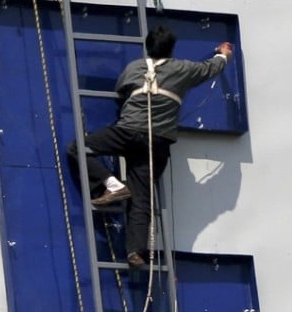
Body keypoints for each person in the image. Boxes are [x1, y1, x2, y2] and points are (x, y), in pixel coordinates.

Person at [67, 26, 234, 268]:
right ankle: (135, 251)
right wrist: (224, 53)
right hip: (157, 141)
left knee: (78, 148)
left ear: (147, 47)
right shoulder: (184, 68)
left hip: (127, 132)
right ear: (172, 49)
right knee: (142, 197)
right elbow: (211, 68)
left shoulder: (133, 68)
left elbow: (121, 90)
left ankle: (111, 184)